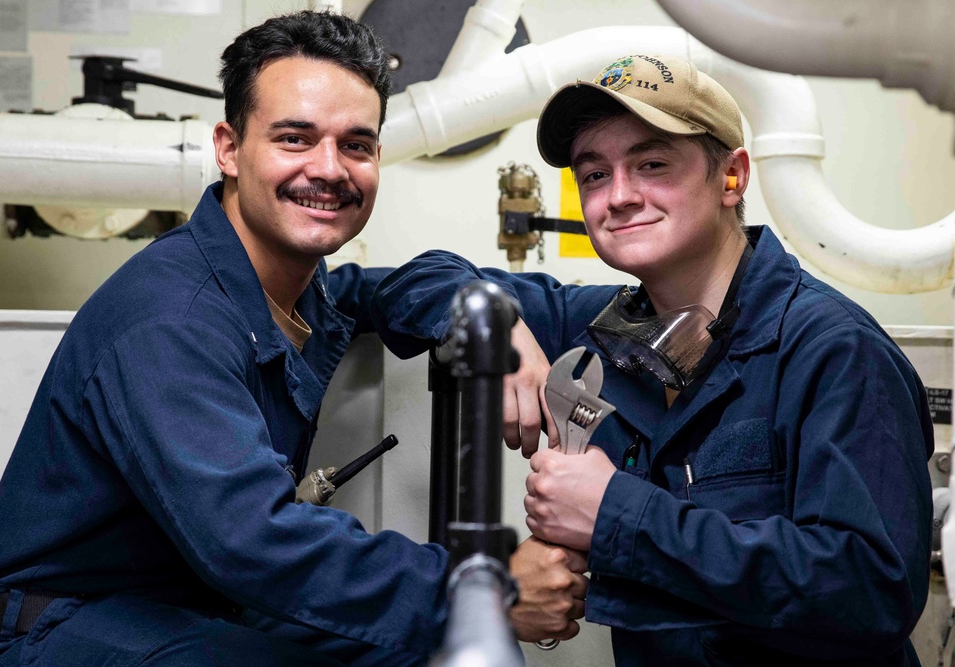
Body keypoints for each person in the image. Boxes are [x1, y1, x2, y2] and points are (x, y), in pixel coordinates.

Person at [0, 11, 585, 667]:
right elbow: (250, 541)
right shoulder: (171, 316)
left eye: (357, 145)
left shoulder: (292, 292)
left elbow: (399, 284)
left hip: (180, 607)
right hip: (51, 632)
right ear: (228, 148)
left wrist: (490, 314)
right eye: (295, 138)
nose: (329, 168)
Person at [371, 54, 934, 665]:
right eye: (593, 175)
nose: (618, 197)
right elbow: (397, 283)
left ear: (732, 177)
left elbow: (870, 591)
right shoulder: (602, 327)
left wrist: (614, 513)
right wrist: (492, 324)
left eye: (652, 164)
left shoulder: (834, 349)